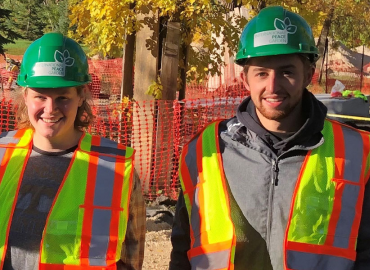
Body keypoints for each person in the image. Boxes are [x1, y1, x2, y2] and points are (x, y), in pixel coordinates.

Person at [169, 6, 370, 270]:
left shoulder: (357, 153)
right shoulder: (204, 152)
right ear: (245, 79)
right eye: (262, 73)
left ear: (308, 75)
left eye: (287, 72)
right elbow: (183, 250)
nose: (273, 87)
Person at [0, 32, 145, 270]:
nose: (50, 109)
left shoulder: (114, 169)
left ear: (81, 96)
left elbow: (131, 258)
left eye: (62, 97)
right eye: (40, 96)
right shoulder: (2, 154)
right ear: (25, 96)